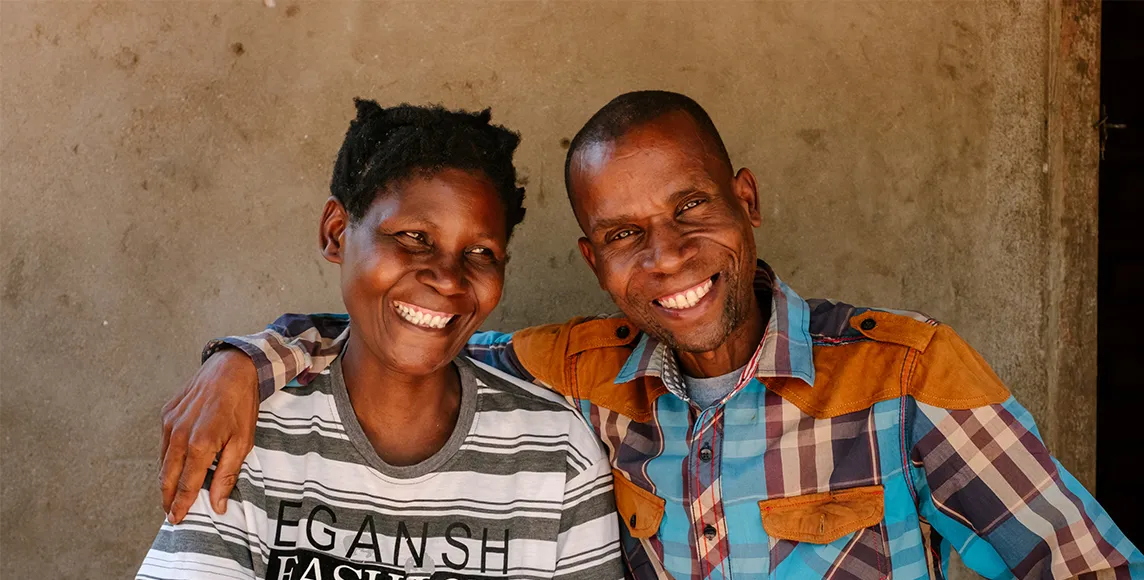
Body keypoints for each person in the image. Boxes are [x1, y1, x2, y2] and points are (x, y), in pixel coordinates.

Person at [159, 91, 1143, 580]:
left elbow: (1088, 570)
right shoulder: (572, 378)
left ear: (746, 201)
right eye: (626, 235)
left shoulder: (905, 373)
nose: (666, 257)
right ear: (593, 260)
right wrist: (252, 356)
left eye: (692, 210)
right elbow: (412, 336)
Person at [138, 100, 625, 580]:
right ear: (336, 233)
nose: (448, 280)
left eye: (480, 252)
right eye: (414, 237)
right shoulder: (249, 429)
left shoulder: (557, 457)